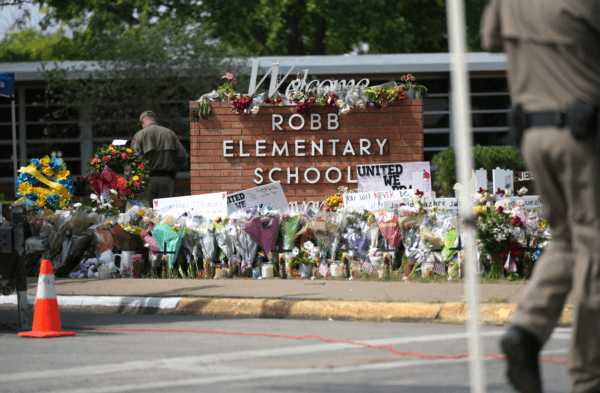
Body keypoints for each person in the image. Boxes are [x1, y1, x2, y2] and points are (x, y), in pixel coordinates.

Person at [482, 1, 600, 392]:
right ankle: (589, 374)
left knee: (567, 239)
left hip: (533, 133)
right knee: (595, 247)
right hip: (583, 134)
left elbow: (489, 39)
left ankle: (527, 329)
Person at [133, 110, 189, 203]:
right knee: (167, 214)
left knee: (147, 214)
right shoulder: (170, 133)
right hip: (167, 180)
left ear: (142, 122)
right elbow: (183, 156)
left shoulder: (139, 135)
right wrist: (174, 168)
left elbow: (133, 160)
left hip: (147, 181)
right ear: (156, 120)